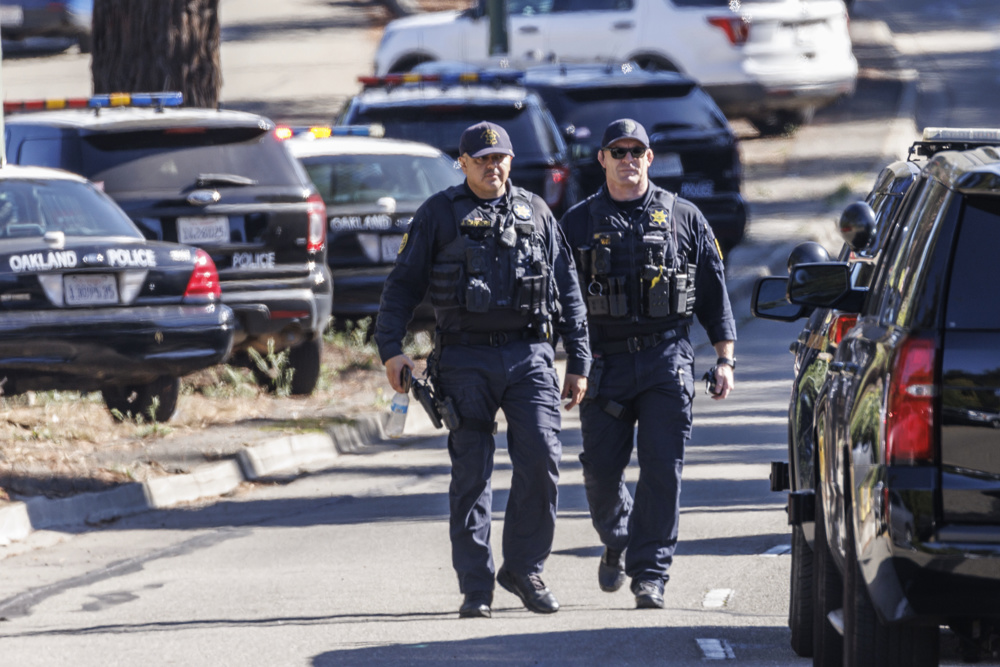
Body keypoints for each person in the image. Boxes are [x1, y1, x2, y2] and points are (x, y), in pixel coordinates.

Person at [374, 121, 591, 619]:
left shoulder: (536, 211)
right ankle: (476, 588)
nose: (493, 167)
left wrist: (579, 361)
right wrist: (391, 350)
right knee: (472, 475)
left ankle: (524, 568)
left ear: (510, 162)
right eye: (482, 159)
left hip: (530, 356)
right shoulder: (439, 214)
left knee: (542, 458)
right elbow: (402, 286)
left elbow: (568, 289)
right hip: (464, 359)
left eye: (500, 159)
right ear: (463, 163)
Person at [558, 118, 736, 609]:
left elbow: (714, 294)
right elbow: (559, 301)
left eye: (636, 151)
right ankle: (619, 536)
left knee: (662, 470)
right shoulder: (577, 223)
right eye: (618, 152)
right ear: (602, 159)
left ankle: (650, 574)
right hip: (604, 363)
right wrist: (565, 361)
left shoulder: (684, 217)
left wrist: (725, 359)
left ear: (649, 158)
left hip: (666, 359)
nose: (628, 160)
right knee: (600, 474)